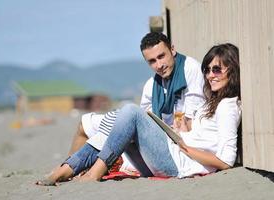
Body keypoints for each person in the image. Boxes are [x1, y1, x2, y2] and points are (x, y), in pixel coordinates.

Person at [36, 43, 241, 185]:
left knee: (131, 111)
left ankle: (92, 172)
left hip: (178, 164)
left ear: (232, 70)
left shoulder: (228, 107)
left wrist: (185, 147)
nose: (209, 75)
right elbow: (201, 136)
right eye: (207, 70)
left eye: (217, 70)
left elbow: (226, 161)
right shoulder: (213, 103)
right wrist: (179, 132)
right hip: (173, 155)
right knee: (117, 127)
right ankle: (66, 169)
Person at [67, 32, 205, 172]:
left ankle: (91, 171)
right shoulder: (151, 85)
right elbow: (145, 121)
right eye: (152, 61)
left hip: (177, 149)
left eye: (161, 56)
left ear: (173, 50)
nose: (159, 65)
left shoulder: (190, 70)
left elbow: (191, 124)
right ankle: (69, 168)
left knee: (129, 114)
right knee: (85, 123)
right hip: (156, 138)